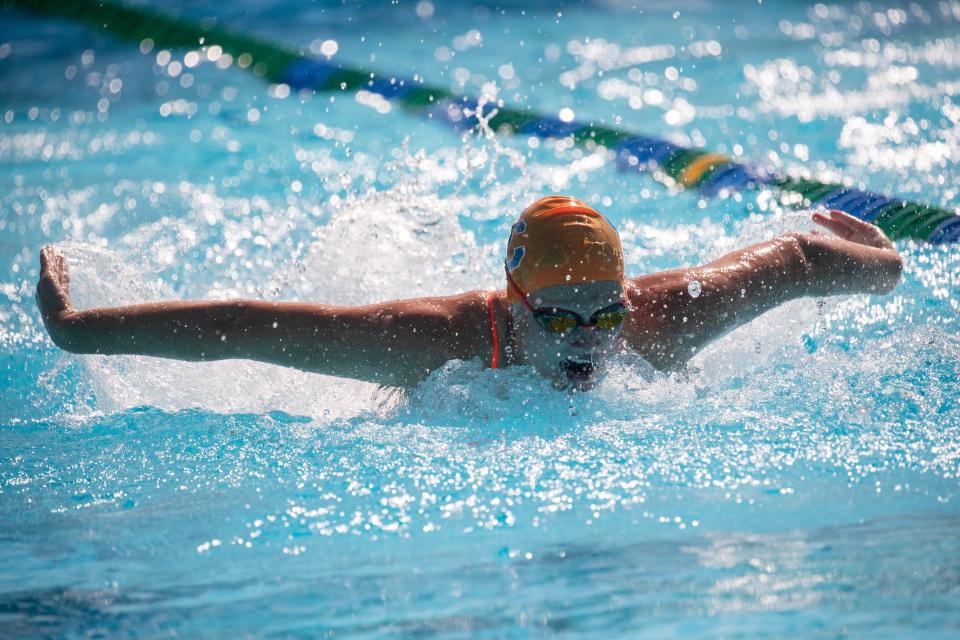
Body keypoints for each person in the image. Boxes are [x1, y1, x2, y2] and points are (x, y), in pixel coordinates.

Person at [36, 195, 903, 389]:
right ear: (515, 302)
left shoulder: (658, 319)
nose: (590, 338)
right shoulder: (435, 341)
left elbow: (798, 260)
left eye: (607, 310)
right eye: (560, 316)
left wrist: (889, 263)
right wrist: (78, 331)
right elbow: (240, 327)